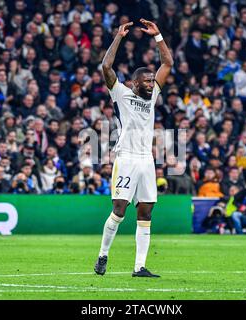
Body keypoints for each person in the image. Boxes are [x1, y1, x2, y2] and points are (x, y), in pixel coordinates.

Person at [94, 19, 173, 278]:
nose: (152, 84)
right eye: (147, 81)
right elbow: (106, 66)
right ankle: (103, 255)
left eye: (153, 80)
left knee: (146, 211)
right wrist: (119, 37)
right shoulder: (121, 93)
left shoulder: (154, 97)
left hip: (146, 160)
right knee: (119, 209)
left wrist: (158, 35)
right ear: (135, 83)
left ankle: (139, 267)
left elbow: (167, 64)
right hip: (126, 157)